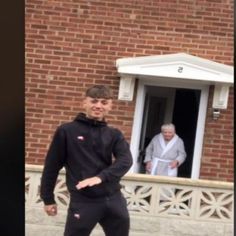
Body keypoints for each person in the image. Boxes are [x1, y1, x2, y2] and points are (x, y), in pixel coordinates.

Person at [40, 85, 133, 236]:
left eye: (104, 102)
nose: (98, 106)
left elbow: (125, 160)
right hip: (84, 200)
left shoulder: (114, 134)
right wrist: (48, 198)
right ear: (85, 103)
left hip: (114, 198)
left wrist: (100, 177)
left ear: (110, 106)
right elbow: (52, 166)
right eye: (94, 101)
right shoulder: (67, 131)